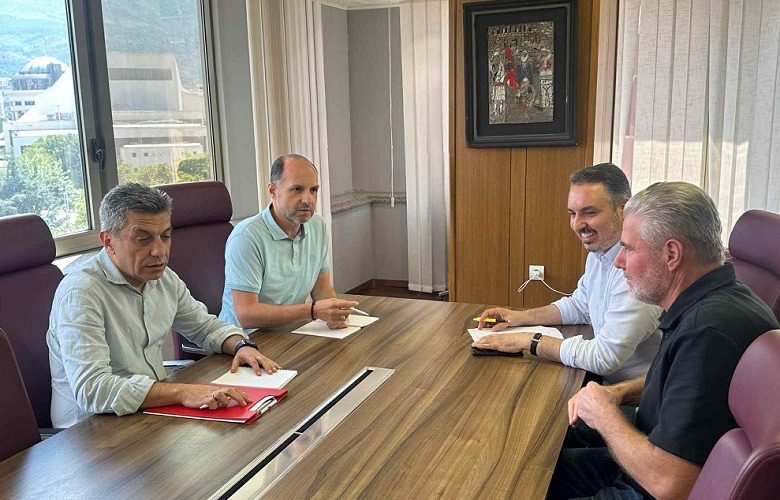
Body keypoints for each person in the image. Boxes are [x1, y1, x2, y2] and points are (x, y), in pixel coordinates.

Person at [549, 181, 779, 499]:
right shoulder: (718, 297)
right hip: (650, 451)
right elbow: (683, 384)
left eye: (629, 248)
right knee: (541, 462)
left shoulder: (708, 332)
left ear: (671, 254)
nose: (618, 261)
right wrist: (616, 393)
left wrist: (603, 414)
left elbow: (669, 484)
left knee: (531, 474)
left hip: (651, 482)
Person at [47, 183, 281, 428]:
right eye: (143, 239)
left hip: (148, 413)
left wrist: (241, 345)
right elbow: (93, 390)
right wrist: (182, 392)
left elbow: (205, 327)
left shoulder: (163, 278)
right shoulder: (80, 293)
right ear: (108, 241)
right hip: (87, 431)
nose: (159, 251)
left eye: (165, 236)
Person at [474, 163, 662, 384]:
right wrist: (521, 317)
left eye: (589, 212)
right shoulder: (600, 252)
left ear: (624, 209)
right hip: (603, 383)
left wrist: (530, 341)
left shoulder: (640, 268)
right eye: (573, 214)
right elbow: (580, 306)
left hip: (637, 396)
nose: (577, 225)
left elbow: (605, 357)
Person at [219, 154, 358, 331]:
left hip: (290, 331)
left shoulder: (317, 225)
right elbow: (246, 315)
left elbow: (322, 288)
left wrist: (335, 313)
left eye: (313, 190)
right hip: (245, 338)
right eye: (297, 189)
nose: (308, 200)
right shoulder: (246, 237)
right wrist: (313, 311)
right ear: (272, 191)